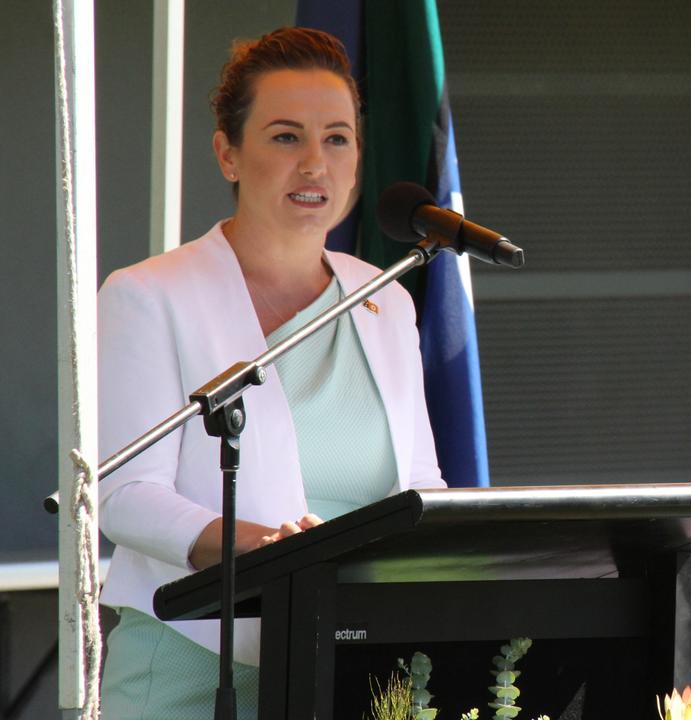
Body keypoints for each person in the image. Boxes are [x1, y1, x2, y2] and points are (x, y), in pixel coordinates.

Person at [97, 27, 445, 718]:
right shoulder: (148, 295)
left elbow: (422, 488)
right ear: (228, 153)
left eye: (338, 138)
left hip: (359, 663)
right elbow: (126, 494)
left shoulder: (387, 298)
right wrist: (267, 550)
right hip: (196, 665)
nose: (316, 163)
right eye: (286, 137)